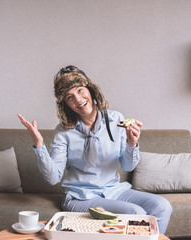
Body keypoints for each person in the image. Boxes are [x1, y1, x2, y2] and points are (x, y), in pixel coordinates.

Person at [18, 65, 172, 234]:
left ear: (90, 90)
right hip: (80, 197)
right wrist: (39, 145)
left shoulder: (115, 120)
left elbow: (128, 166)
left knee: (162, 206)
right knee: (135, 213)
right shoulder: (63, 131)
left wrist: (131, 143)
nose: (78, 99)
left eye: (80, 90)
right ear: (66, 104)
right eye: (70, 97)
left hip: (114, 191)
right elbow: (54, 177)